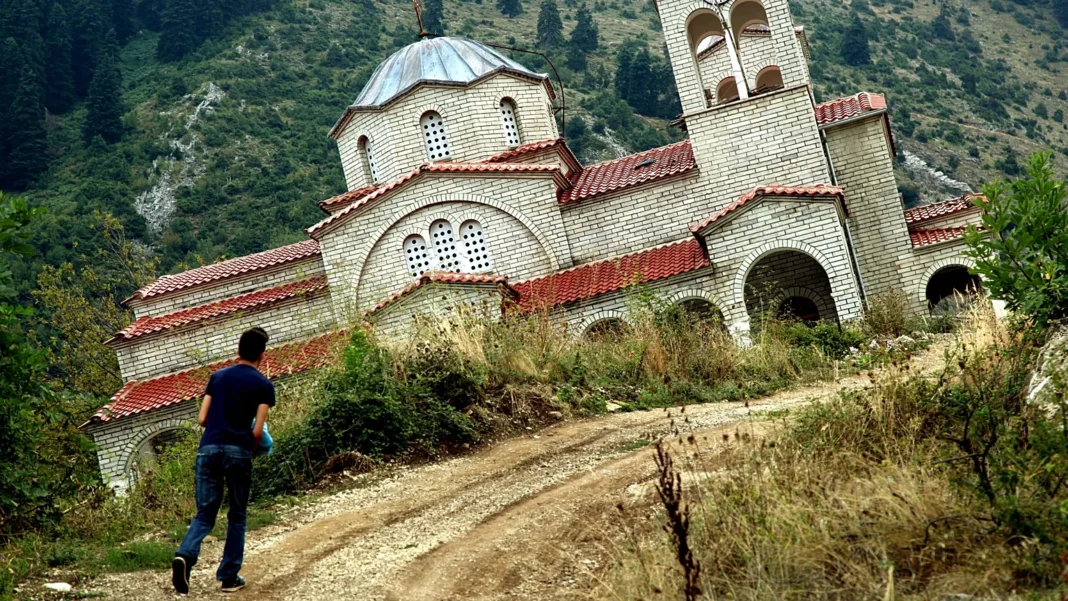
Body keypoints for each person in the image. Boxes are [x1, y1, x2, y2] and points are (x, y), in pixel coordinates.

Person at [172, 327, 275, 594]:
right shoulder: (263, 386)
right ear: (262, 355)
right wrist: (250, 451)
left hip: (208, 450)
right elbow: (256, 431)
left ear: (238, 350)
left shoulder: (217, 377)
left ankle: (185, 554)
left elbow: (202, 419)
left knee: (205, 513)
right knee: (237, 515)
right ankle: (228, 577)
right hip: (237, 451)